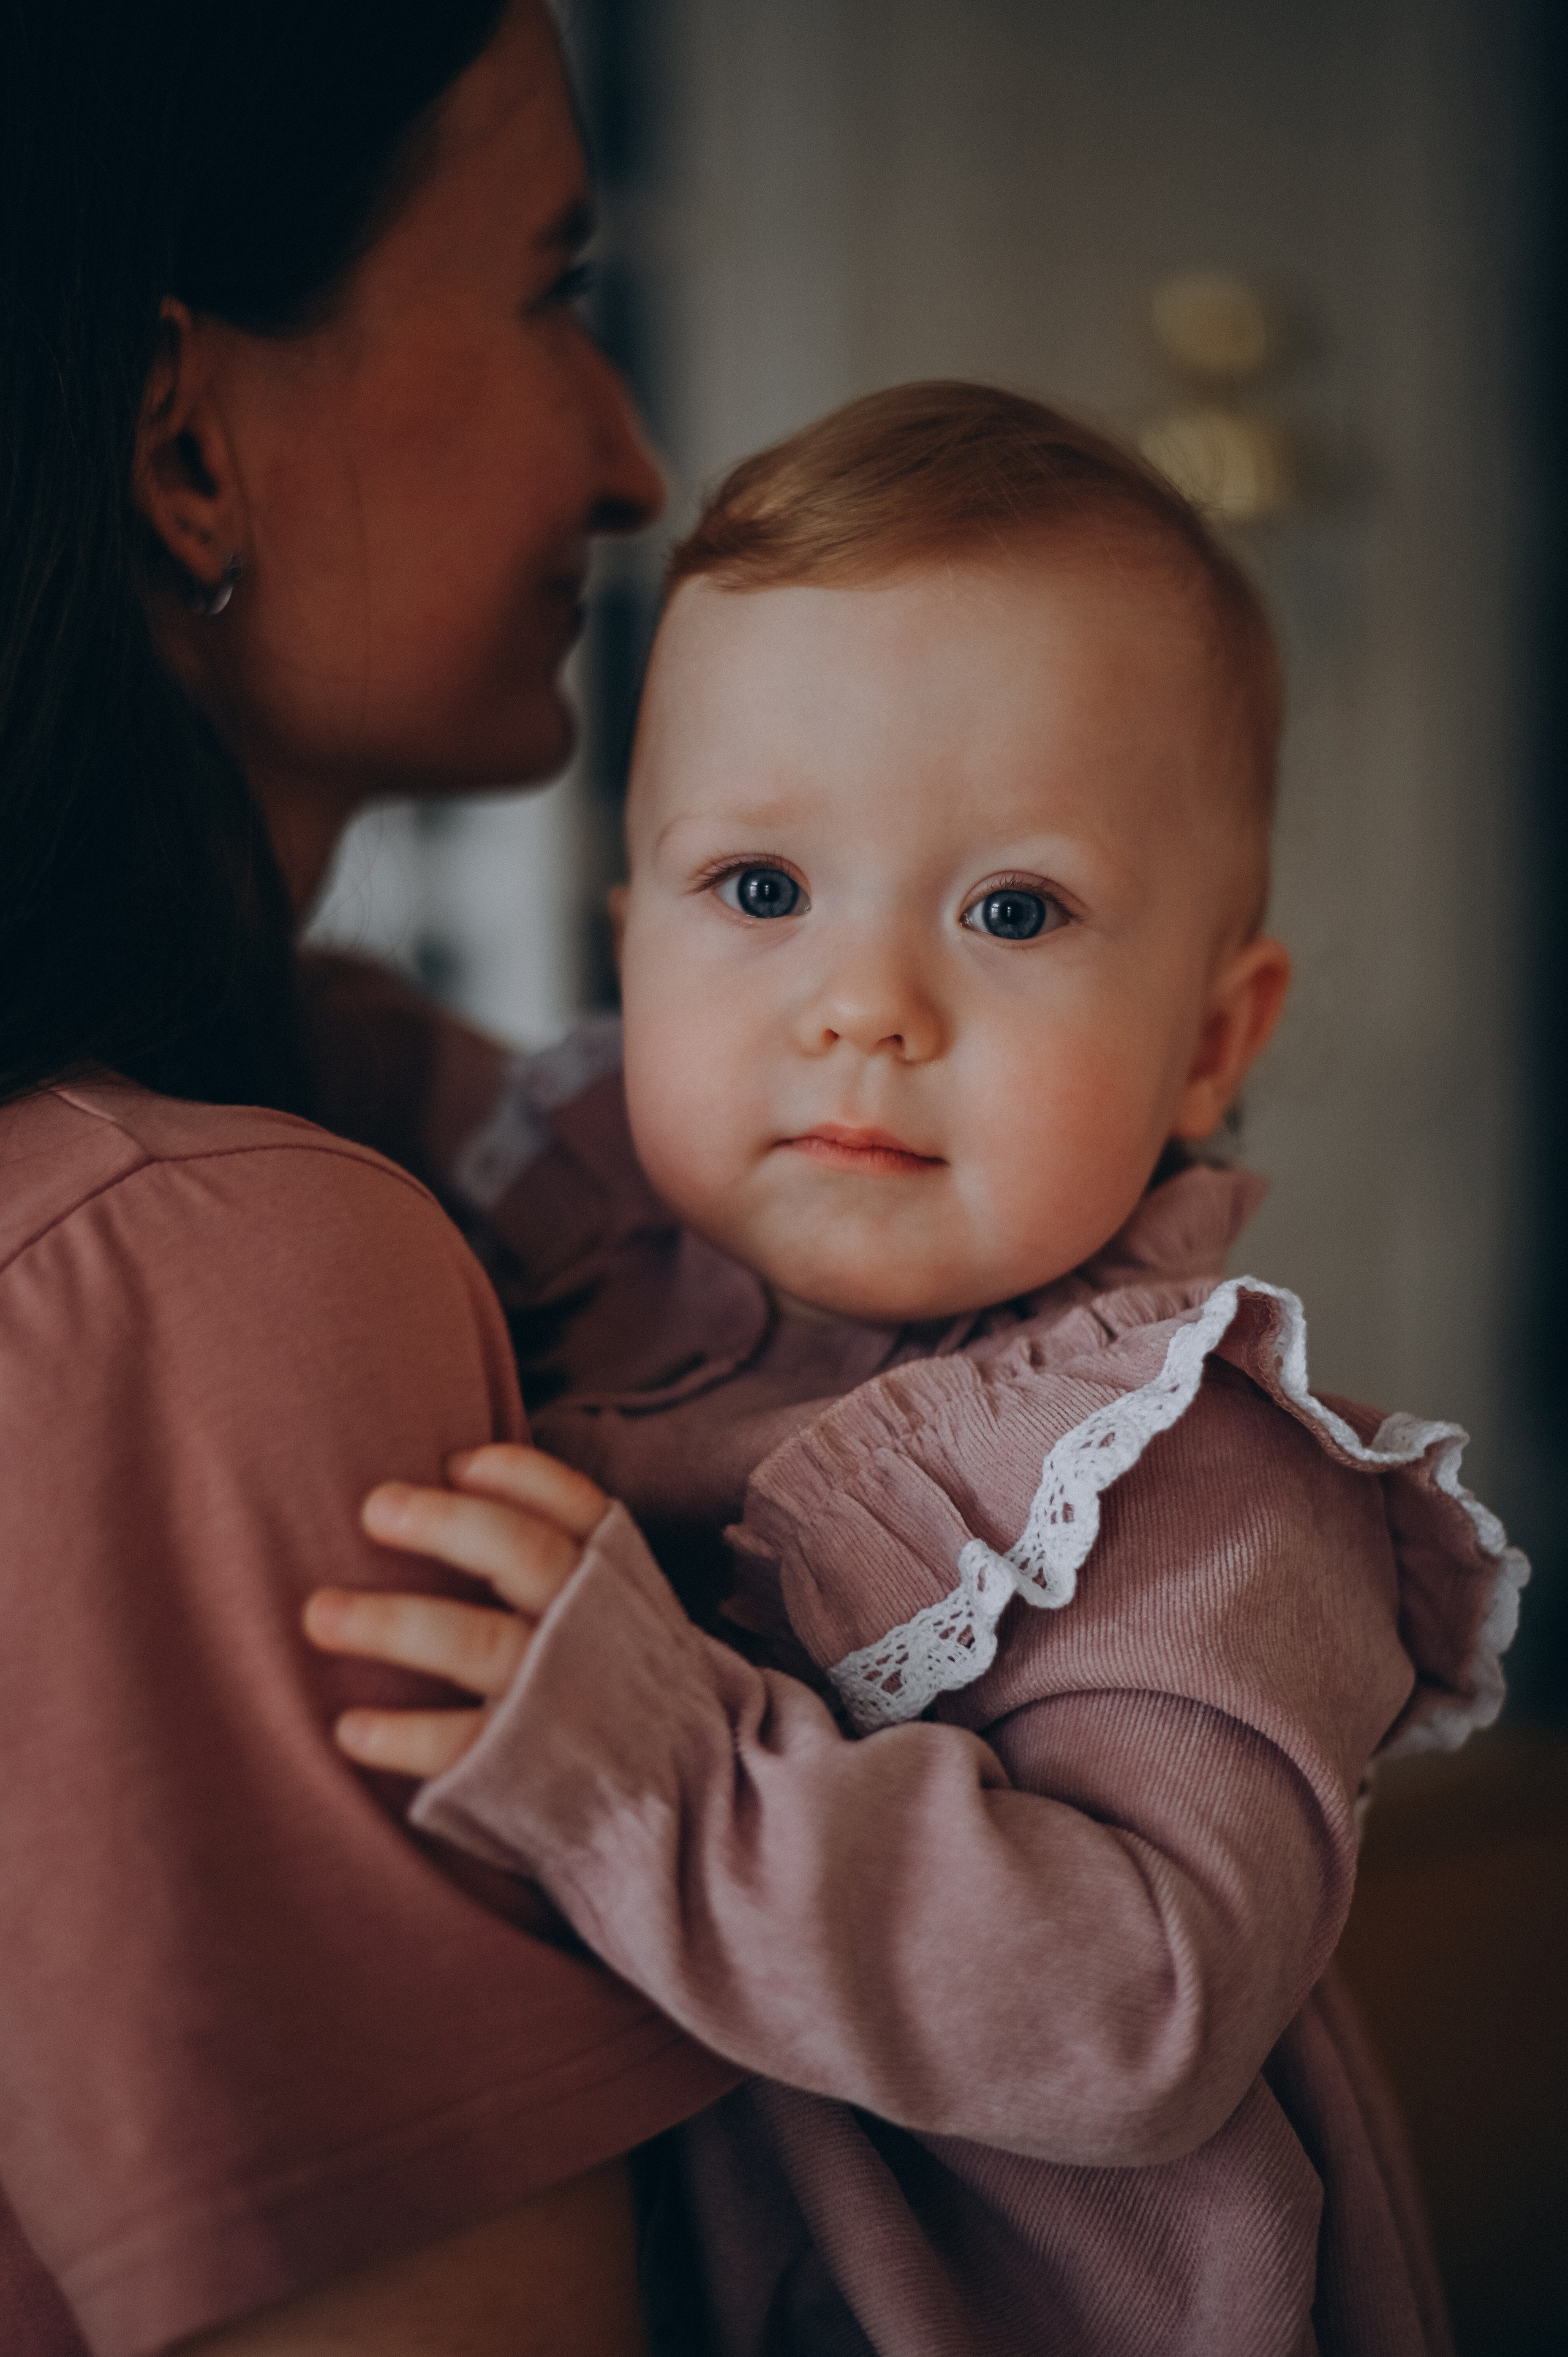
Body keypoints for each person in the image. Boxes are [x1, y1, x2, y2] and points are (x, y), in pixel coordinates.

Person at [303, 385, 1526, 2355]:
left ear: (1217, 1041)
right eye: (762, 893)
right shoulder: (584, 1199)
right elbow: (319, 1039)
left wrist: (663, 1772)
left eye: (1014, 909)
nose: (864, 1006)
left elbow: (1145, 2012)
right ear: (635, 952)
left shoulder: (1186, 1477)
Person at [0, 4, 737, 2351]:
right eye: (552, 287)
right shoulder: (207, 1275)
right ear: (182, 445)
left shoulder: (394, 1116)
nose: (634, 464)